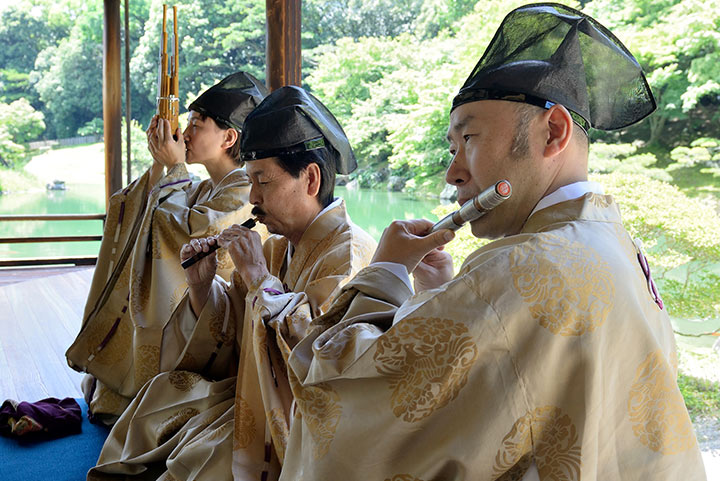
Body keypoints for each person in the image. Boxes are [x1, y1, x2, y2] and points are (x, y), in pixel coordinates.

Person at [271, 4, 707, 480]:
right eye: (451, 148)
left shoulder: (522, 267)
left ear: (553, 131)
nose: (453, 172)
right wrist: (443, 294)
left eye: (470, 138)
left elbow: (332, 389)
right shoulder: (618, 244)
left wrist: (387, 273)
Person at [87, 86, 377, 480]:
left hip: (301, 416)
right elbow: (236, 329)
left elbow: (322, 362)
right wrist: (203, 287)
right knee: (160, 396)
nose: (252, 197)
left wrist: (259, 278)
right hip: (251, 388)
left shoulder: (349, 253)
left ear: (310, 179)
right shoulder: (276, 247)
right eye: (251, 181)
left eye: (263, 182)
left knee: (206, 458)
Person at [66, 71, 268, 423]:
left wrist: (175, 166)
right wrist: (162, 163)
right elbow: (136, 207)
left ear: (229, 137)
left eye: (197, 124)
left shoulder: (244, 191)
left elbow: (188, 235)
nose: (184, 133)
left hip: (218, 322)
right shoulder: (207, 188)